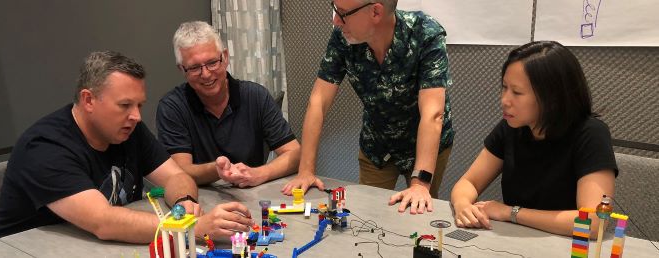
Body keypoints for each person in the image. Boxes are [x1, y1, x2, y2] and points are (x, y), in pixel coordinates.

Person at [0, 51, 254, 243]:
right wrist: (192, 227)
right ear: (88, 100)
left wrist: (183, 204)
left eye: (139, 105)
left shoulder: (129, 129)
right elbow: (103, 221)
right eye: (125, 105)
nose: (137, 116)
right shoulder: (45, 147)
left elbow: (176, 176)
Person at [282, 0, 454, 215]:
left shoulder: (425, 33)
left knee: (419, 211)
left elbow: (432, 114)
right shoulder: (342, 38)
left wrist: (420, 184)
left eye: (343, 13)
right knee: (369, 215)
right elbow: (319, 101)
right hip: (377, 144)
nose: (336, 21)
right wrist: (306, 170)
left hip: (424, 144)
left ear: (375, 12)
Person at [450, 41, 617, 237]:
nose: (504, 100)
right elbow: (469, 182)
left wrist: (511, 213)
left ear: (552, 97)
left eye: (517, 92)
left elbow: (594, 222)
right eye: (504, 88)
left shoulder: (590, 134)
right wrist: (463, 205)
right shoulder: (511, 127)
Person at [157, 21, 300, 188]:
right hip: (199, 201)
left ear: (225, 57)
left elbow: (295, 154)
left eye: (212, 62)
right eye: (195, 67)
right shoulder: (172, 107)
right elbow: (178, 173)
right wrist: (218, 170)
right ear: (182, 69)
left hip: (251, 196)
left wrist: (259, 173)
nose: (206, 74)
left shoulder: (256, 96)